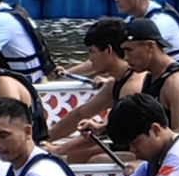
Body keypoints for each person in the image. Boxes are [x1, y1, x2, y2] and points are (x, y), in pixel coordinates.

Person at [44, 18, 142, 160]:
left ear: (108, 50)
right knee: (72, 156)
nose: (90, 59)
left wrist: (58, 149)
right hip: (122, 144)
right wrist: (44, 139)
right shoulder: (115, 83)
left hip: (140, 152)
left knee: (89, 159)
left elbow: (107, 132)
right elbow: (79, 114)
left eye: (92, 52)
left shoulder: (132, 87)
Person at [120, 19, 179, 132]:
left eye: (129, 50)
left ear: (150, 46)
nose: (126, 58)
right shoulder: (151, 77)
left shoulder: (177, 83)